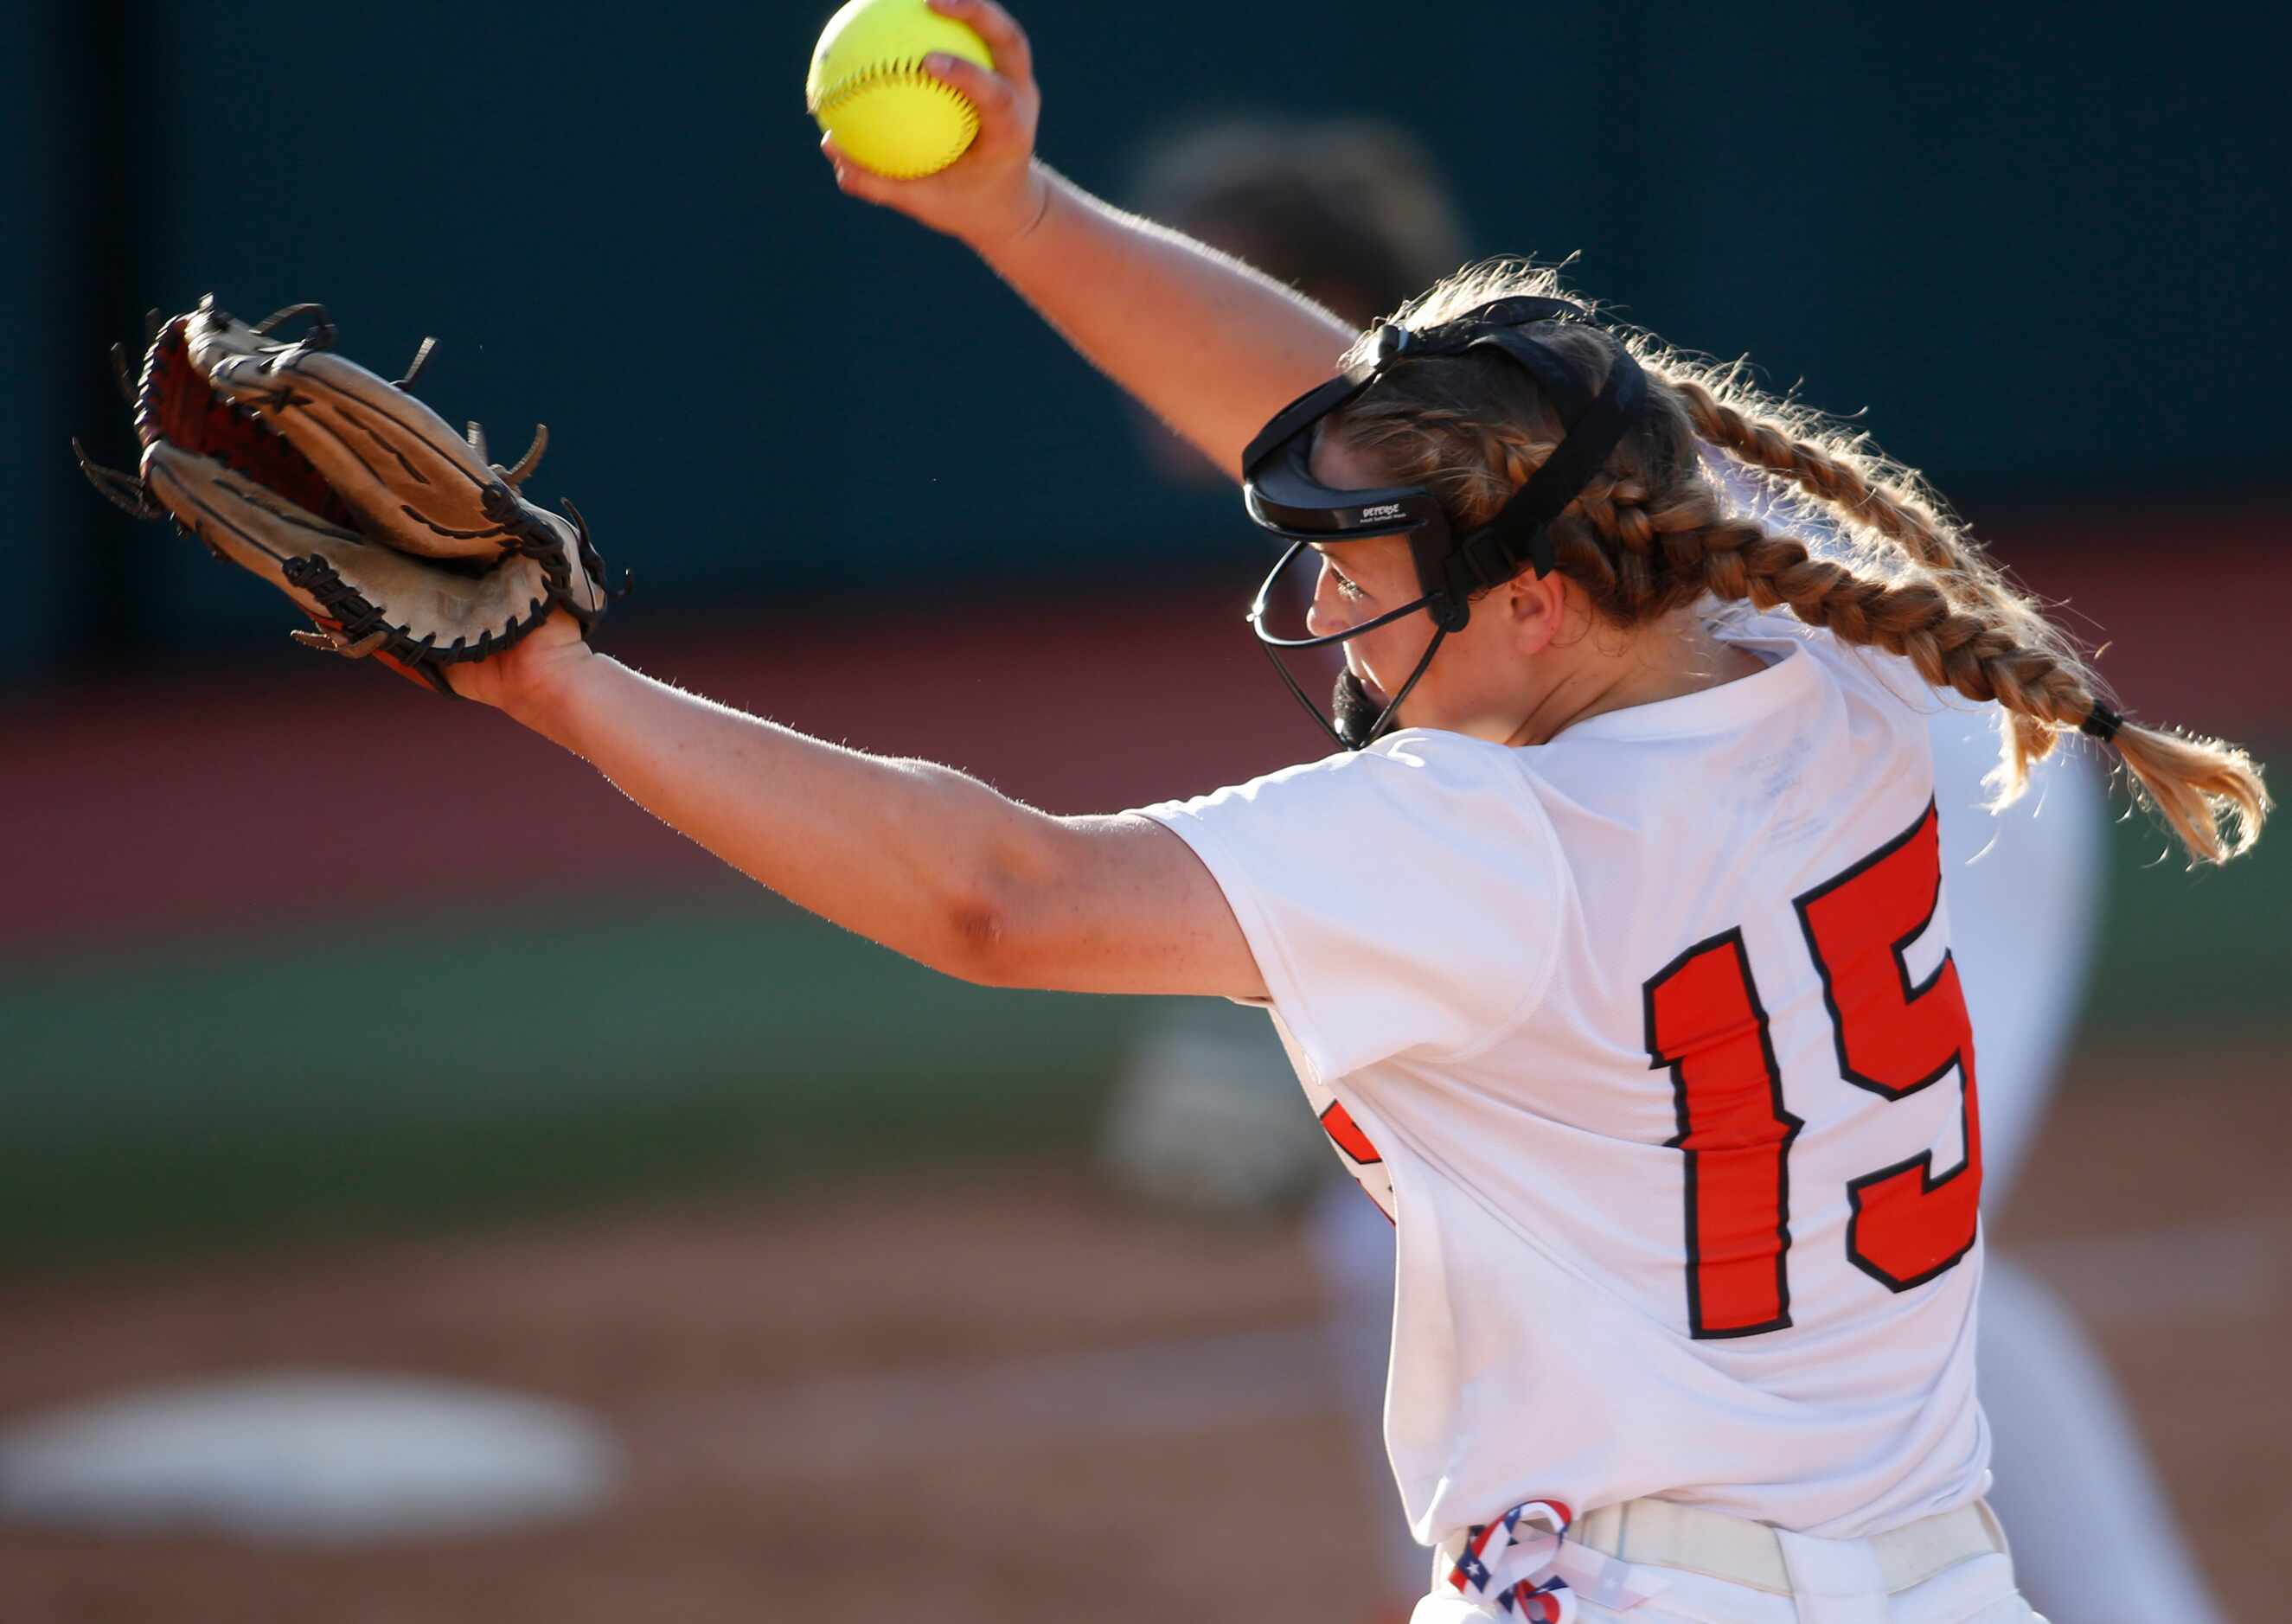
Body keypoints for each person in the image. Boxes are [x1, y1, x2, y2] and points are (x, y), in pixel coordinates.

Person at [447, 3, 2270, 1617]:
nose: (1321, 607)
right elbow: (1341, 405)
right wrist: (1016, 210)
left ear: (1536, 602)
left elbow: (992, 895)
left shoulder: (1483, 847)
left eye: (1365, 570)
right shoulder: (1827, 658)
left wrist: (554, 687)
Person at [1103, 116, 2238, 1624]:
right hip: (1823, 781)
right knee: (1814, 1263)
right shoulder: (1478, 429)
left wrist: (1011, 213)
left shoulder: (1471, 451)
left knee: (1868, 1260)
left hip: (1939, 786)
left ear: (1293, 295)